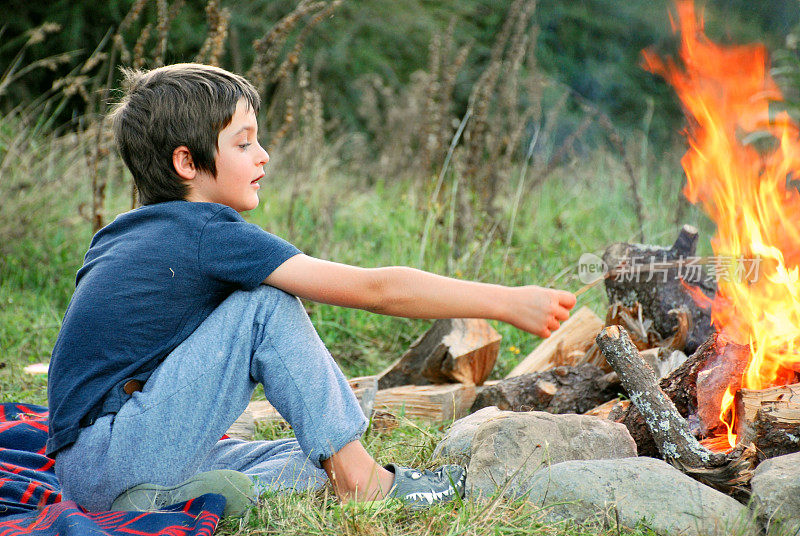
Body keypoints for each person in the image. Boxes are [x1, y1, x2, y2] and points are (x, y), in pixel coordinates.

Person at [46, 63, 576, 516]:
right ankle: (363, 481)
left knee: (299, 459)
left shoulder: (127, 232)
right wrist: (506, 301)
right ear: (187, 162)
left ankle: (166, 497)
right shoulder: (206, 232)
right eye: (244, 141)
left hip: (90, 467)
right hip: (114, 456)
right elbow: (378, 291)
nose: (263, 156)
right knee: (264, 306)